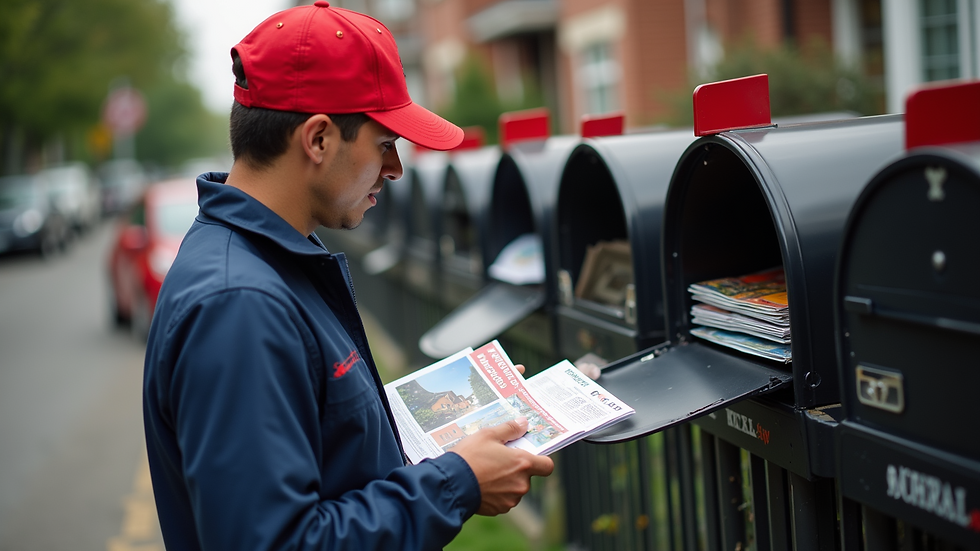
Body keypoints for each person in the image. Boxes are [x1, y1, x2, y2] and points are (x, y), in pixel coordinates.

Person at [142, 3, 554, 550]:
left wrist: (448, 424)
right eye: (385, 145)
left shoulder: (271, 260)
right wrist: (456, 482)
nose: (396, 169)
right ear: (317, 140)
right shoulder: (237, 304)